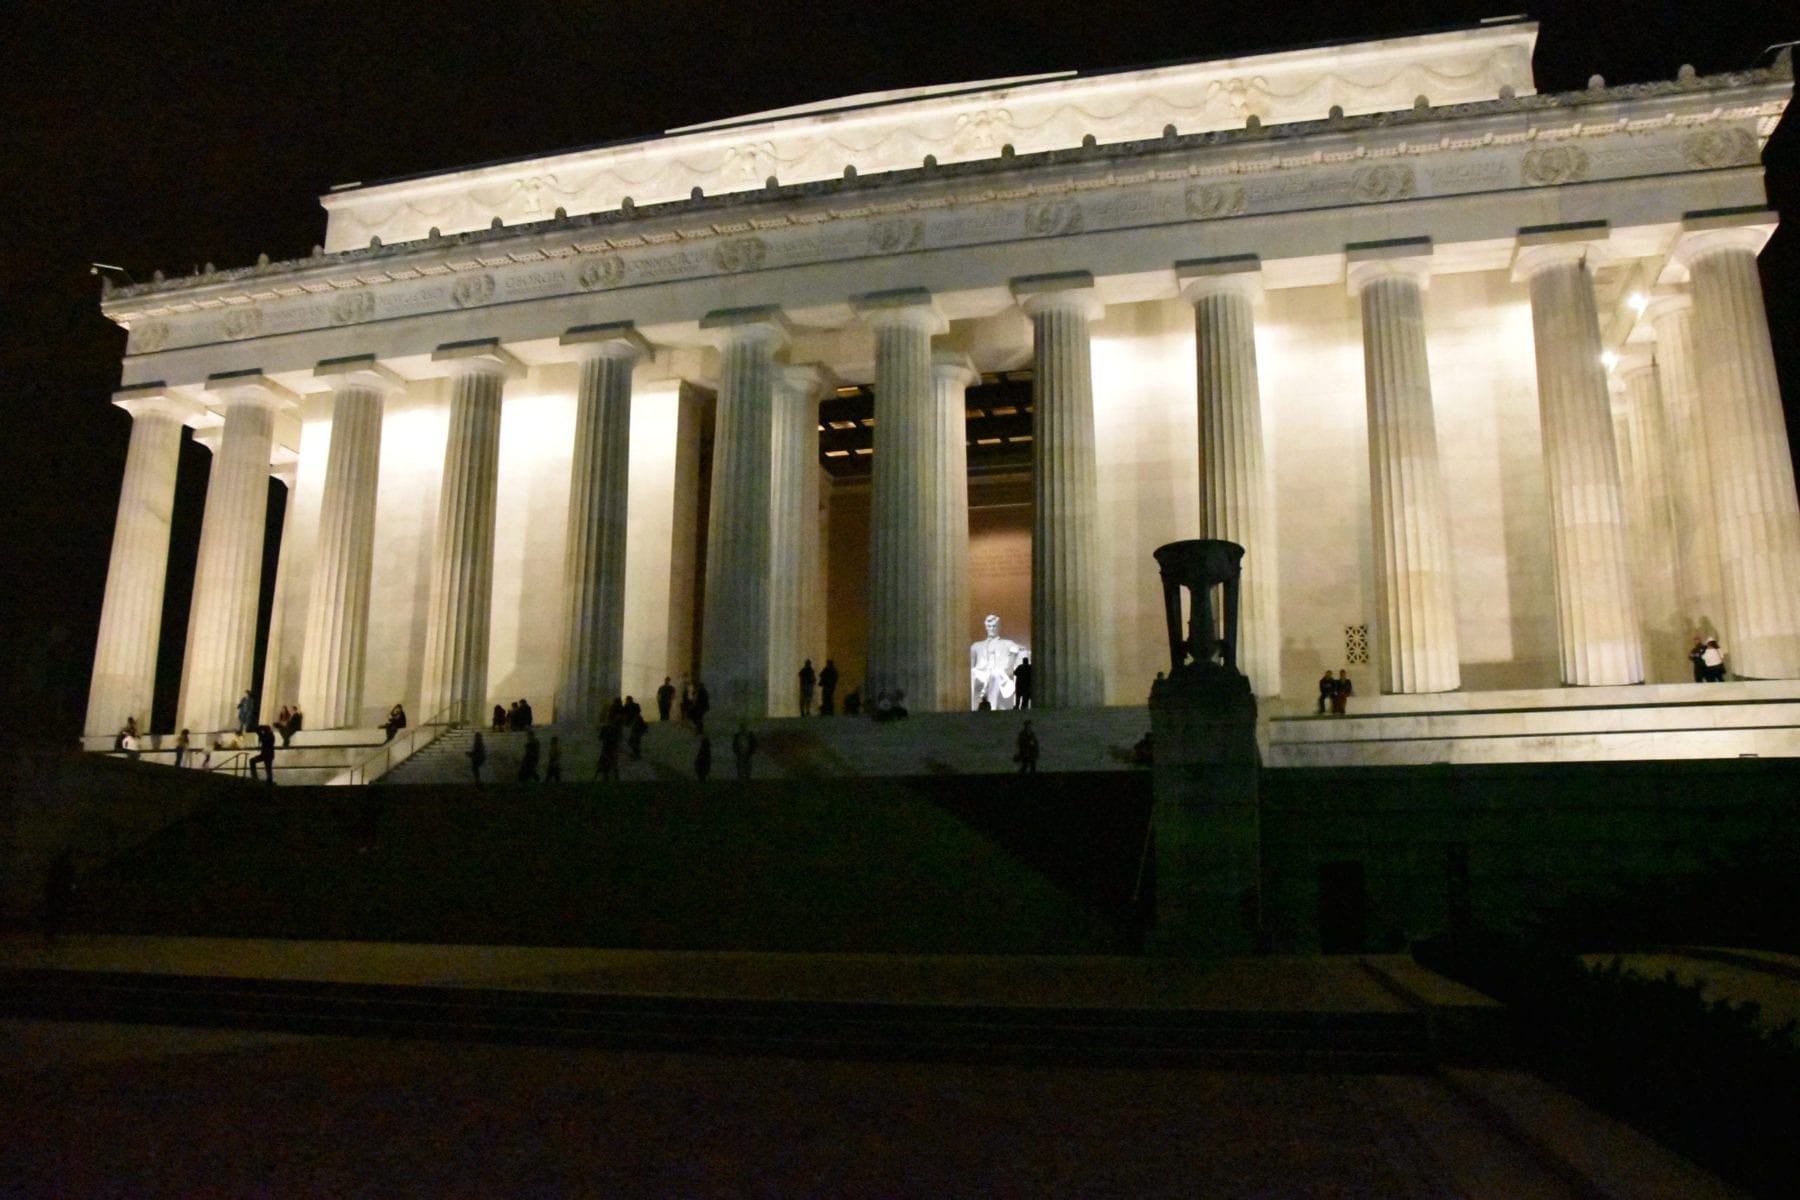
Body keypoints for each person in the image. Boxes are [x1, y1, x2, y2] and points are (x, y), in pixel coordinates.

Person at [970, 614, 1029, 711]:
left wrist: (1013, 657)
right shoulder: (976, 646)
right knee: (972, 673)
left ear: (999, 627)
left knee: (995, 674)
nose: (992, 629)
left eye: (994, 626)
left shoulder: (1007, 643)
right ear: (986, 627)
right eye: (989, 626)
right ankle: (973, 707)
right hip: (981, 672)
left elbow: (1022, 649)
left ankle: (993, 708)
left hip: (999, 673)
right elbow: (971, 664)